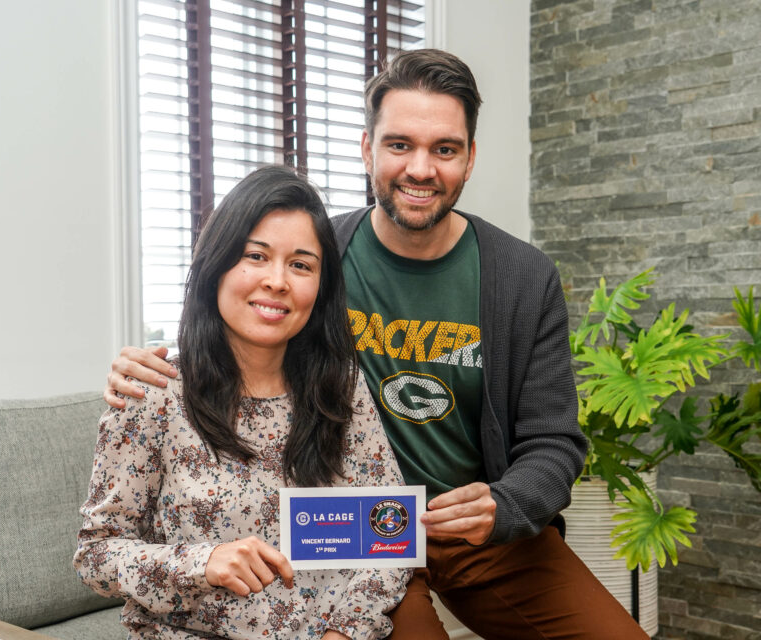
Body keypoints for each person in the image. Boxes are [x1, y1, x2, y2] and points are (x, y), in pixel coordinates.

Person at [104, 51, 648, 638]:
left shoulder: (523, 277)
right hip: (350, 537)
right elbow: (238, 314)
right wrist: (153, 362)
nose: (421, 168)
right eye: (399, 145)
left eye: (445, 148)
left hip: (473, 532)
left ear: (469, 159)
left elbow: (553, 440)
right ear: (367, 149)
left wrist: (506, 503)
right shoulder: (317, 256)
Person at [76, 166, 411, 639]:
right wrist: (202, 561)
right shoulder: (153, 392)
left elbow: (389, 537)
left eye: (301, 264)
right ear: (216, 265)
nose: (277, 281)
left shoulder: (342, 389)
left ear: (321, 286)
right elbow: (95, 554)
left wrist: (344, 632)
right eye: (255, 255)